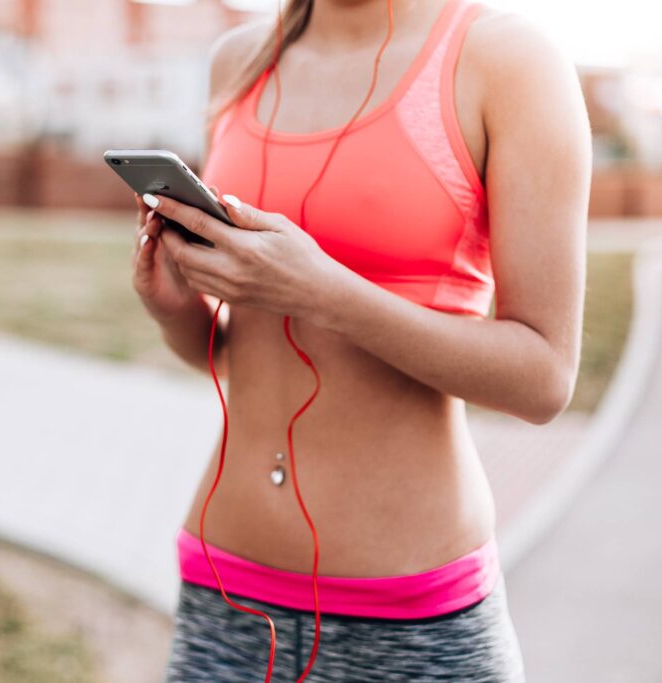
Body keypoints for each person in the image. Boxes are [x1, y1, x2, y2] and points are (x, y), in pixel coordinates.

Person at [130, 0, 591, 680]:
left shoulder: (504, 60)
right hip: (224, 592)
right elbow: (235, 355)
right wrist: (176, 310)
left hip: (412, 617)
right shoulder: (240, 60)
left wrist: (325, 292)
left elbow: (544, 377)